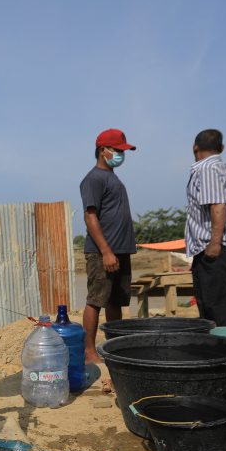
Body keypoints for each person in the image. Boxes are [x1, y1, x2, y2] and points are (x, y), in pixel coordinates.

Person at [80, 129, 138, 364]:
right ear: (103, 151)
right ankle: (89, 352)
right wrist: (106, 251)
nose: (122, 155)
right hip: (102, 253)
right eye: (118, 150)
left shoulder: (113, 178)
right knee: (96, 300)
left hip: (120, 251)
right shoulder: (93, 179)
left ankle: (115, 347)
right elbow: (90, 216)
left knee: (115, 301)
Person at [185, 129, 226, 327]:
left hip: (215, 249)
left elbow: (218, 205)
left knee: (219, 310)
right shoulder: (221, 168)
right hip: (209, 250)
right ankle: (219, 345)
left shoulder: (208, 168)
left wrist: (215, 243)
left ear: (195, 147)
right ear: (222, 148)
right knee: (212, 308)